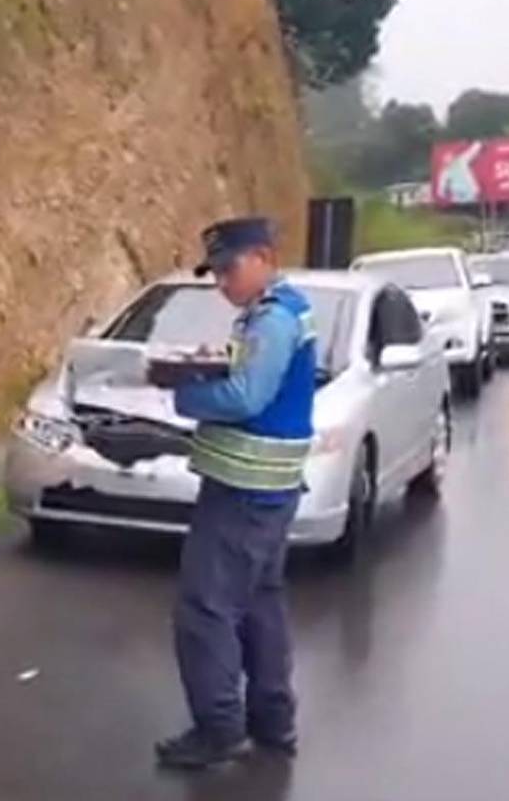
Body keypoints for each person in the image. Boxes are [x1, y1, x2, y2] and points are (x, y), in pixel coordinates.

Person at [149, 217, 316, 770]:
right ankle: (273, 721)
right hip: (269, 489)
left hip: (246, 489)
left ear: (264, 257)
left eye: (229, 268)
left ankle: (218, 728)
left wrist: (186, 392)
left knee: (206, 609)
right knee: (260, 607)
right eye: (215, 272)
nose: (222, 282)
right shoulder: (279, 312)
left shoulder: (273, 320)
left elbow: (247, 396)